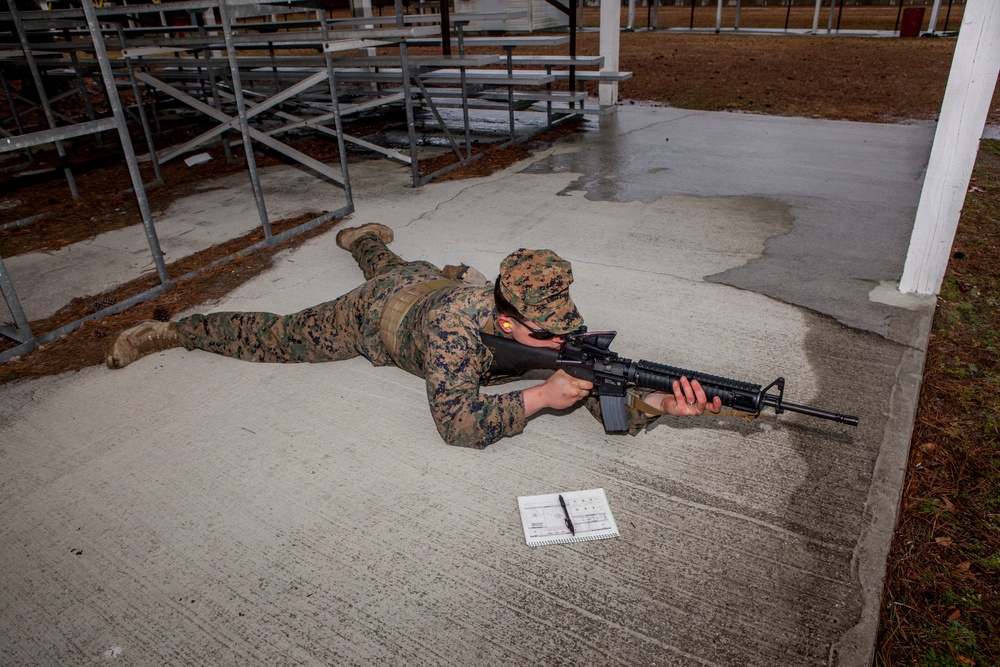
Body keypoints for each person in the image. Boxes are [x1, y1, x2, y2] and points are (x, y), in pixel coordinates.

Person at [106, 223, 722, 448]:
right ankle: (171, 335)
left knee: (392, 262)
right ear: (507, 322)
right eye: (545, 331)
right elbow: (455, 426)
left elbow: (597, 391)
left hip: (427, 278)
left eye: (562, 323)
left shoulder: (546, 317)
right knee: (276, 335)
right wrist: (536, 398)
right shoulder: (458, 335)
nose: (561, 338)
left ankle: (364, 238)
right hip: (377, 316)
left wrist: (657, 404)